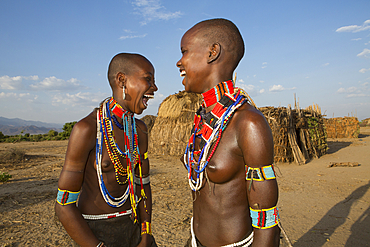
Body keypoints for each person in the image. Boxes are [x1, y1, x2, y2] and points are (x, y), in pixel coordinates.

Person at [177, 18, 280, 246]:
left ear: (213, 52)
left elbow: (266, 216)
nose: (179, 62)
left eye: (184, 51)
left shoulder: (248, 123)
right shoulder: (206, 117)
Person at [55, 53, 158, 247]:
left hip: (134, 227)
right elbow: (63, 205)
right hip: (95, 234)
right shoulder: (86, 130)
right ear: (122, 80)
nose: (154, 87)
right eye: (148, 79)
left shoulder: (140, 130)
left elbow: (143, 186)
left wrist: (146, 233)